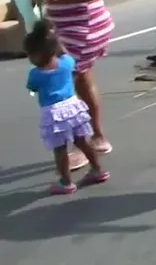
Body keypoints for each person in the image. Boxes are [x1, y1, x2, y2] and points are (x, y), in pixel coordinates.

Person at [29, 0, 115, 170]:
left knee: (63, 89)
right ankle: (98, 138)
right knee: (82, 83)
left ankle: (82, 145)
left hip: (86, 26)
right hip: (65, 27)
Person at [25, 20, 109, 195]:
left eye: (30, 55)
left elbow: (32, 88)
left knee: (60, 149)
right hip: (74, 107)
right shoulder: (67, 62)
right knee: (83, 141)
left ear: (37, 54)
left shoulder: (36, 74)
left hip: (54, 113)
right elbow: (65, 56)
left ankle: (66, 182)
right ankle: (97, 169)